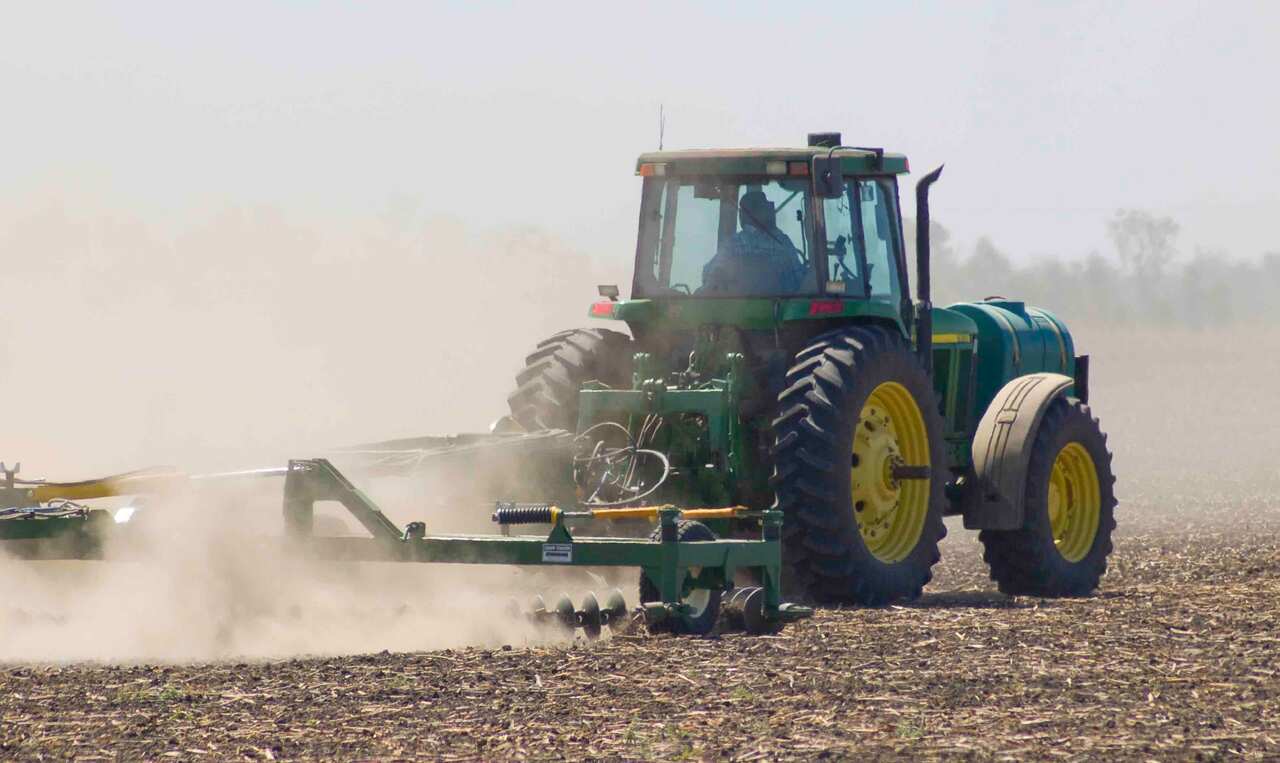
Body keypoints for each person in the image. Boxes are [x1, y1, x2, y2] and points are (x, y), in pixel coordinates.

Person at [700, 188, 808, 295]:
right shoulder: (782, 242)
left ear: (742, 215)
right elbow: (798, 280)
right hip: (779, 309)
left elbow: (710, 274)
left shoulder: (733, 244)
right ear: (764, 211)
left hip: (736, 310)